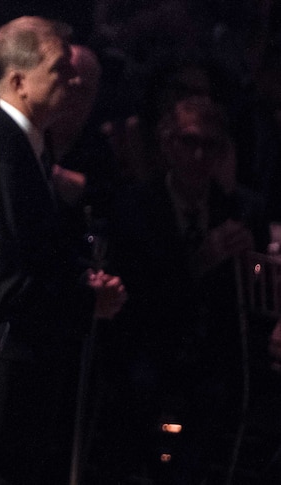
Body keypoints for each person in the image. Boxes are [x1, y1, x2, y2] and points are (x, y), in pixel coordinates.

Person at [0, 16, 128, 484]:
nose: (75, 79)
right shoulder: (1, 156)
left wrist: (79, 278)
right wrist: (87, 301)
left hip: (6, 401)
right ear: (19, 82)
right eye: (60, 69)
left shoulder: (22, 144)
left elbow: (29, 255)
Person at [101, 95, 268, 483]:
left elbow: (258, 285)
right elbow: (137, 295)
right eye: (188, 142)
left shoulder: (241, 208)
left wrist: (250, 263)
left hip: (215, 351)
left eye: (210, 145)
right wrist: (198, 262)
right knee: (136, 396)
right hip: (149, 343)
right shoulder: (136, 205)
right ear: (166, 144)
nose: (198, 155)